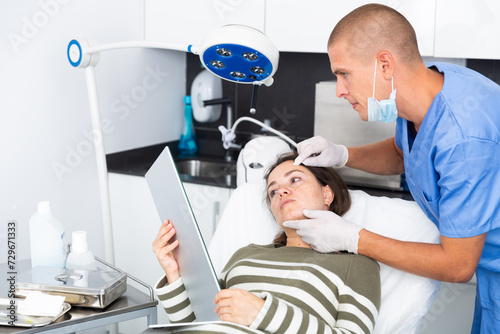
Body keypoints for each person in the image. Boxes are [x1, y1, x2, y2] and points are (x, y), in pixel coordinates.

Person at [288, 4, 500, 333]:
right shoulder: (425, 83)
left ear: (384, 64)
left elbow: (458, 265)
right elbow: (406, 152)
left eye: (344, 73)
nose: (340, 90)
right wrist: (342, 155)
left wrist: (352, 238)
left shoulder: (464, 139)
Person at [152, 152, 381, 334]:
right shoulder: (246, 255)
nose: (281, 190)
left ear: (327, 194)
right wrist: (174, 273)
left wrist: (263, 312)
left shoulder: (357, 265)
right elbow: (197, 326)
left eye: (295, 179)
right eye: (272, 191)